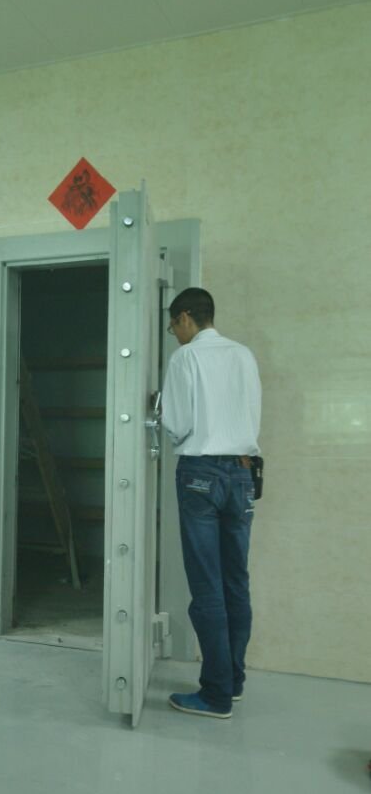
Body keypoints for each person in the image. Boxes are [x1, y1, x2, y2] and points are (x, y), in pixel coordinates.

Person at [160, 288, 262, 719]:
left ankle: (215, 695)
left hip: (200, 474)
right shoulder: (244, 355)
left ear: (185, 317)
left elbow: (178, 424)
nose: (174, 333)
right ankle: (233, 681)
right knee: (236, 581)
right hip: (242, 473)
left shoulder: (186, 358)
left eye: (173, 325)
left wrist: (160, 416)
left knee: (206, 587)